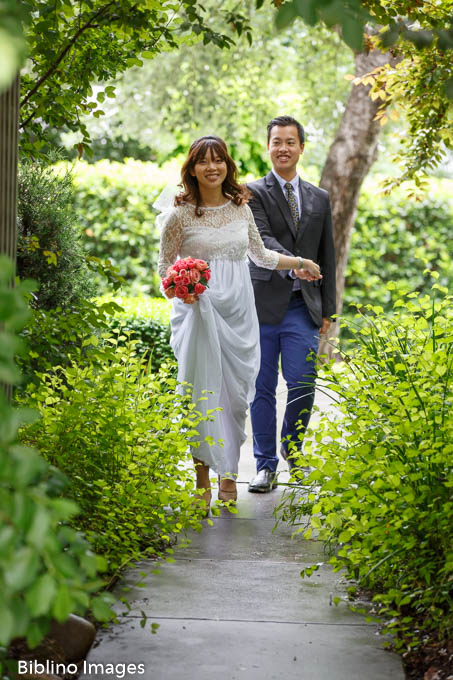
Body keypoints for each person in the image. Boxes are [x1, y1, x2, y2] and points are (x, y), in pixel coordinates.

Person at [157, 135, 322, 513]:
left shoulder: (240, 208)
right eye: (203, 161)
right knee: (199, 392)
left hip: (239, 311)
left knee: (233, 395)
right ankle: (202, 477)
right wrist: (182, 289)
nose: (212, 167)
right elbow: (165, 270)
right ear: (192, 168)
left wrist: (299, 262)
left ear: (227, 166)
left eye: (218, 160)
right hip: (198, 312)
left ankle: (228, 474)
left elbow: (261, 256)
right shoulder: (178, 215)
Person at [247, 115, 336, 493]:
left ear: (301, 147)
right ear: (268, 147)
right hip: (262, 306)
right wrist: (297, 265)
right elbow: (262, 241)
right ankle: (264, 465)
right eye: (276, 141)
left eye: (289, 141)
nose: (282, 148)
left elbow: (327, 255)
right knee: (262, 387)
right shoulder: (251, 194)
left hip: (303, 309)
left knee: (302, 383)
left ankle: (293, 454)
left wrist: (329, 311)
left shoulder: (320, 198)